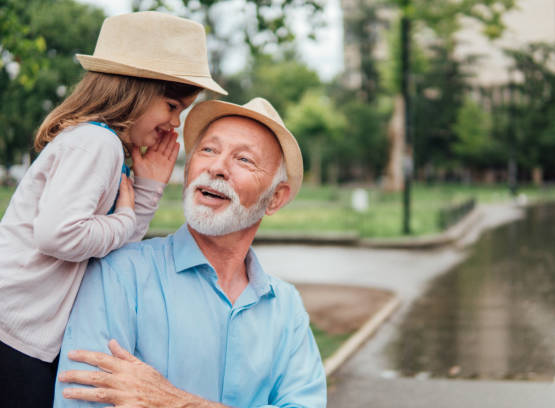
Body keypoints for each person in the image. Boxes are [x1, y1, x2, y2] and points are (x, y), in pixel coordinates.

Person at [0, 11, 226, 407]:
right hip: (12, 331)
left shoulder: (104, 146)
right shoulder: (96, 143)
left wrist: (148, 188)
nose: (175, 123)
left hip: (26, 336)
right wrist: (124, 219)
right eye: (172, 105)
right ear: (133, 91)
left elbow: (109, 252)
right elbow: (58, 235)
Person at [53, 97, 326, 408]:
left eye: (244, 160)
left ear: (275, 198)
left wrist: (174, 402)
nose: (217, 167)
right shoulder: (118, 275)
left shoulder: (286, 308)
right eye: (208, 150)